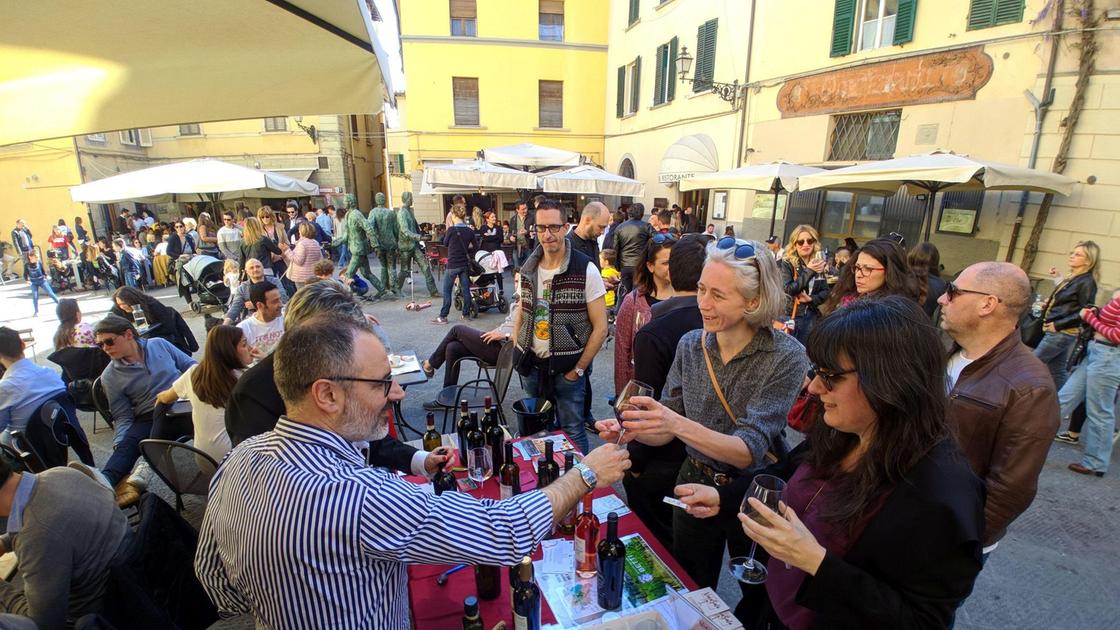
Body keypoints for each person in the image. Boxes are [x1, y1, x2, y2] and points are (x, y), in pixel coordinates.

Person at [197, 315, 630, 630]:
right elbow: (505, 533)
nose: (398, 393)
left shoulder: (241, 459)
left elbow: (216, 583)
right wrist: (587, 473)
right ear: (326, 394)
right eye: (382, 383)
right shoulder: (356, 497)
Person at [674, 296, 986, 629]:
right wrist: (725, 497)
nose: (815, 386)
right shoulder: (846, 430)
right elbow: (787, 472)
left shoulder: (941, 493)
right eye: (816, 371)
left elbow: (923, 620)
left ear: (890, 380)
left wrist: (815, 561)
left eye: (831, 375)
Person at [597, 237, 808, 591]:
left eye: (718, 295)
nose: (703, 304)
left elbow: (747, 449)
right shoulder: (691, 344)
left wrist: (672, 422)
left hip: (754, 492)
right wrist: (634, 429)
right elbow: (666, 429)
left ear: (754, 302)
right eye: (701, 289)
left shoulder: (786, 356)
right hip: (693, 479)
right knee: (693, 584)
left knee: (759, 596)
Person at [939, 262, 1058, 558]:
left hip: (950, 539)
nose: (942, 298)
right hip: (911, 514)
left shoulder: (1030, 387)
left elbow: (1011, 489)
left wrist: (963, 539)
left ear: (987, 304)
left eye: (952, 291)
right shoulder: (948, 352)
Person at [225, 280, 395, 447]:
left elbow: (363, 426)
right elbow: (266, 466)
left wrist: (416, 459)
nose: (398, 394)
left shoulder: (342, 364)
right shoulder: (252, 392)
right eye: (344, 342)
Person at [623, 234, 707, 550]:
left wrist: (635, 461)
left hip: (663, 459)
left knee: (652, 545)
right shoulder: (724, 325)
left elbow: (646, 406)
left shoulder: (656, 331)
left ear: (669, 272)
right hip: (708, 462)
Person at [512, 200, 608, 454]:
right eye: (541, 227)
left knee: (573, 430)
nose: (547, 234)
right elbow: (522, 309)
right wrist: (517, 344)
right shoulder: (529, 267)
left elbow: (601, 328)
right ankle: (543, 488)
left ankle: (579, 486)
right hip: (532, 366)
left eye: (554, 227)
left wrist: (578, 370)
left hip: (568, 369)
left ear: (566, 227)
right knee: (534, 431)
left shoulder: (584, 268)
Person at [0, 457, 131, 630]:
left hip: (101, 616)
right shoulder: (62, 473)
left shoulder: (37, 535)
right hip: (135, 581)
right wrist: (4, 542)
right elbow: (56, 524)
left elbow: (42, 625)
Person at [94, 315, 196, 504]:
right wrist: (120, 444)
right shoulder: (109, 376)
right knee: (128, 445)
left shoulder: (159, 344)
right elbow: (122, 416)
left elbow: (191, 367)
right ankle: (100, 487)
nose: (105, 348)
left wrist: (186, 389)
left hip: (183, 403)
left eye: (109, 341)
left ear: (128, 334)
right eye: (100, 345)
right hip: (148, 416)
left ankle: (147, 464)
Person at [154, 325, 249, 462]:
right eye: (244, 345)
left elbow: (165, 398)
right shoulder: (243, 378)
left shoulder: (194, 372)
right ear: (230, 351)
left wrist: (159, 400)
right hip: (234, 461)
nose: (250, 348)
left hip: (204, 459)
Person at [1057, 289, 1120, 477]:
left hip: (1108, 357)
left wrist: (1090, 318)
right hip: (1097, 353)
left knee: (1100, 412)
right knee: (1063, 399)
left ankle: (1095, 463)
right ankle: (1023, 442)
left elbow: (1117, 335)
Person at [614, 234, 676, 395]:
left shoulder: (687, 299)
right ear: (650, 266)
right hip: (642, 390)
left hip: (675, 392)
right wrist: (624, 397)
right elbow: (622, 355)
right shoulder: (633, 302)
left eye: (676, 260)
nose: (673, 266)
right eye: (666, 263)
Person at [1034, 240, 1100, 389]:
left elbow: (1086, 312)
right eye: (1072, 253)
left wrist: (1058, 325)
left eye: (1077, 254)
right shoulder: (1075, 278)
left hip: (1061, 333)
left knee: (1030, 364)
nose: (1072, 256)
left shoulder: (1087, 282)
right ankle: (1060, 406)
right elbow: (1067, 300)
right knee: (1057, 371)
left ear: (1088, 261)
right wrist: (1050, 303)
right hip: (1058, 331)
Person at [819, 237, 920, 315]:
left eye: (868, 269)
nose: (858, 275)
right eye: (857, 267)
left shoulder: (891, 312)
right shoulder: (850, 295)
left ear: (890, 272)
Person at [0, 327, 68, 442]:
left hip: (21, 452)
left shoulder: (5, 388)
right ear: (23, 344)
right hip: (59, 440)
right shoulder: (51, 373)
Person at [779, 225, 830, 344]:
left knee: (807, 354)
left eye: (809, 241)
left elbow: (826, 292)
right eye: (801, 242)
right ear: (794, 245)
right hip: (791, 317)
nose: (806, 244)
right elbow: (788, 289)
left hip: (811, 316)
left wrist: (810, 299)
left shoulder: (817, 262)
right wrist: (809, 270)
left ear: (814, 243)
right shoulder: (787, 263)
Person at [113, 286, 199, 355]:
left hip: (165, 340)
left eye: (124, 303)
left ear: (132, 300)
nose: (122, 306)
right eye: (119, 304)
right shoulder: (121, 310)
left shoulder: (152, 305)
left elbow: (169, 327)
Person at [432, 205, 476, 325]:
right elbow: (475, 247)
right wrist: (468, 248)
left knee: (447, 290)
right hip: (464, 264)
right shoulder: (469, 231)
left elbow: (445, 243)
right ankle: (466, 314)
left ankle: (443, 316)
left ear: (454, 216)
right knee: (466, 289)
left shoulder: (451, 230)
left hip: (452, 265)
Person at [331, 203, 385, 299]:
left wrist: (375, 244)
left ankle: (344, 298)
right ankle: (381, 289)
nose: (344, 202)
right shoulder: (348, 215)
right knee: (366, 273)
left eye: (345, 201)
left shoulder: (356, 214)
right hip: (355, 249)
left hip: (359, 249)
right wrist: (334, 243)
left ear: (350, 202)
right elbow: (346, 235)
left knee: (348, 274)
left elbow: (368, 228)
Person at [396, 192, 439, 297]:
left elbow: (415, 227)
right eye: (411, 198)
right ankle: (396, 289)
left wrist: (422, 236)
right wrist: (420, 237)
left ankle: (433, 291)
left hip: (414, 245)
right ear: (406, 199)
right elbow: (405, 231)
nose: (412, 200)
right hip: (406, 246)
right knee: (404, 270)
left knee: (425, 266)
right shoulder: (402, 213)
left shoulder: (410, 211)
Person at [222, 258, 288, 324]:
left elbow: (283, 299)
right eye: (251, 268)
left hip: (275, 318)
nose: (255, 269)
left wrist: (255, 304)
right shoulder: (242, 288)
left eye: (258, 266)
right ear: (247, 272)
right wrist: (224, 326)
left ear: (263, 268)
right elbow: (235, 309)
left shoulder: (274, 281)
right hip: (252, 321)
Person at [612, 202, 653, 296]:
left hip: (625, 264)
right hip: (639, 264)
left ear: (629, 213)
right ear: (642, 214)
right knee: (637, 295)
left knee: (623, 293)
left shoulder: (620, 227)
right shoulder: (646, 226)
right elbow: (657, 239)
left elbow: (616, 248)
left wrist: (617, 265)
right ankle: (635, 310)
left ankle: (620, 310)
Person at [237, 282, 285, 360]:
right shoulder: (244, 329)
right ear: (260, 305)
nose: (281, 304)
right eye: (275, 301)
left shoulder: (287, 320)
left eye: (280, 299)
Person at [368, 193, 400, 297]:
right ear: (384, 200)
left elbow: (370, 228)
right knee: (391, 266)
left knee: (383, 265)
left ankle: (384, 286)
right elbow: (396, 230)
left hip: (380, 243)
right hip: (391, 243)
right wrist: (397, 242)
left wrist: (373, 242)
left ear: (377, 201)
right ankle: (393, 286)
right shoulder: (391, 213)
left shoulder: (373, 212)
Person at [909, 241, 947, 318]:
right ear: (935, 261)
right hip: (923, 326)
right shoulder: (941, 284)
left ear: (912, 256)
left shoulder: (900, 276)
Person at [567, 201, 609, 267]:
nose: (603, 232)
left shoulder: (593, 242)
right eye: (600, 227)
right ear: (588, 220)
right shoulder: (567, 246)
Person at [286, 222, 323, 288]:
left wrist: (287, 251)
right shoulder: (315, 242)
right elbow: (320, 258)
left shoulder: (302, 244)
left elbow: (299, 261)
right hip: (312, 275)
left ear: (301, 231)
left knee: (303, 295)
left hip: (301, 276)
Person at [21, 252, 59, 317]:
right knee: (35, 296)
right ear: (30, 257)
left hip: (42, 281)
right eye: (36, 257)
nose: (37, 258)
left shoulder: (39, 263)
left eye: (37, 257)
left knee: (51, 293)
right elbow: (25, 274)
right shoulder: (26, 265)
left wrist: (46, 276)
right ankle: (36, 312)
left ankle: (60, 305)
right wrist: (27, 280)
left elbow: (43, 271)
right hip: (33, 282)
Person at [509, 199, 535, 268]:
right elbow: (510, 232)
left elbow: (536, 230)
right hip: (517, 247)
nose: (525, 210)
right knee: (517, 268)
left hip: (528, 246)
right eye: (523, 209)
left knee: (529, 267)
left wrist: (527, 232)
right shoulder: (513, 219)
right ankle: (518, 278)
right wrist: (510, 237)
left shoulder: (532, 217)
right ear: (517, 210)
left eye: (526, 208)